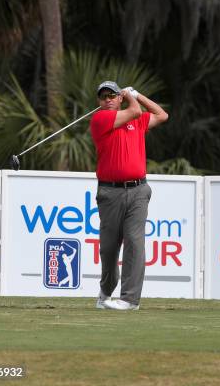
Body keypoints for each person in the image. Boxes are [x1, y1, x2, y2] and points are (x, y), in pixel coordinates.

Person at [90, 80, 168, 310]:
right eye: (103, 97)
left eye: (112, 95)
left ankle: (129, 299)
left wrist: (138, 94)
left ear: (119, 98)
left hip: (138, 191)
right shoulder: (100, 119)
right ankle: (105, 291)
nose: (108, 100)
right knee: (109, 249)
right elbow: (135, 110)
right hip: (110, 192)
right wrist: (132, 97)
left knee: (135, 243)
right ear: (99, 101)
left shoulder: (137, 121)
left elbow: (162, 115)